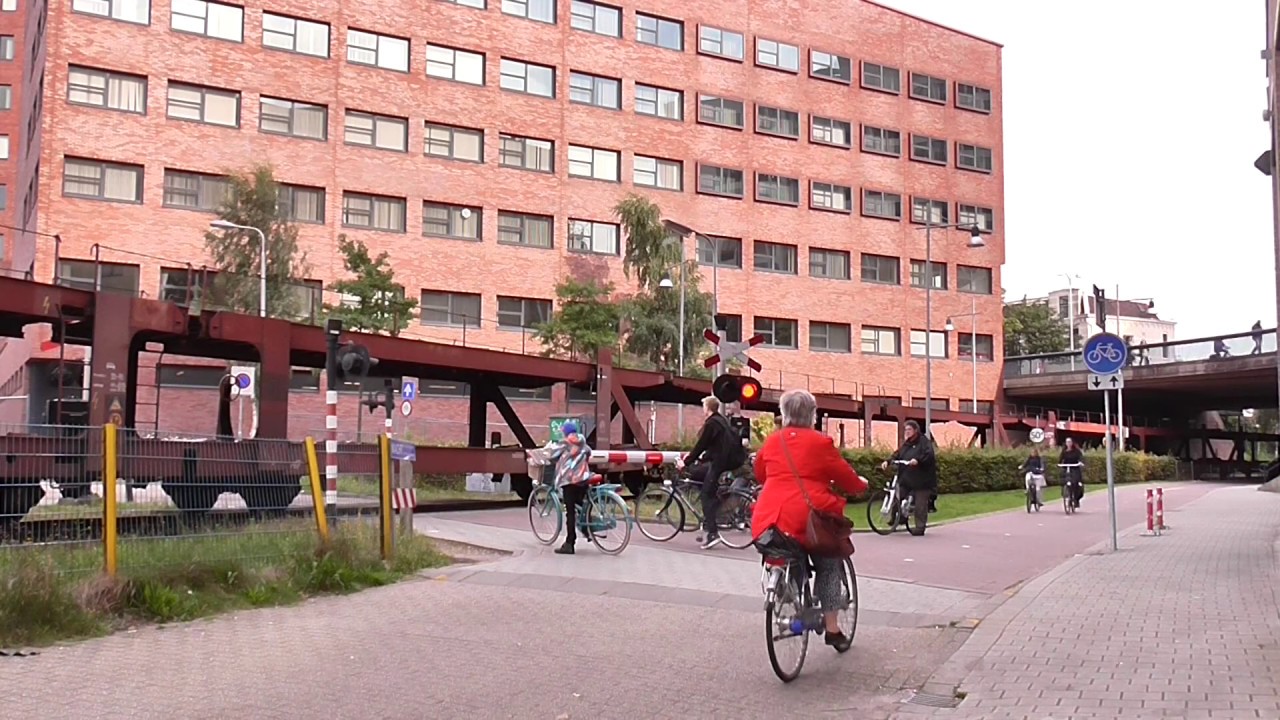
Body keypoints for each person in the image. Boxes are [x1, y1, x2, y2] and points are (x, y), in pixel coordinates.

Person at [751, 389, 866, 648]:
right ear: (812, 414)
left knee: (786, 553)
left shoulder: (772, 442)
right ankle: (833, 629)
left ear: (784, 414)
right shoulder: (819, 442)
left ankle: (786, 589)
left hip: (769, 518)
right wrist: (860, 485)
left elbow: (760, 473)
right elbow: (844, 476)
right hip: (810, 519)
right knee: (828, 564)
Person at [682, 396, 747, 549]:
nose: (703, 409)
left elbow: (701, 445)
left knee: (706, 494)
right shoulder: (721, 420)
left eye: (704, 406)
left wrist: (685, 462)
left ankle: (712, 533)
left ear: (708, 408)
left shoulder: (711, 423)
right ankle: (714, 513)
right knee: (707, 483)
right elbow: (716, 445)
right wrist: (704, 457)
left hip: (720, 463)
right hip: (727, 461)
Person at [880, 420, 936, 532]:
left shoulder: (924, 442)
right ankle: (897, 519)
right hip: (907, 478)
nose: (907, 432)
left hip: (922, 480)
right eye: (906, 430)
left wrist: (918, 460)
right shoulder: (907, 444)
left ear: (915, 430)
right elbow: (898, 453)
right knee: (897, 496)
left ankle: (920, 528)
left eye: (909, 429)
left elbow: (928, 455)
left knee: (920, 504)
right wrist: (889, 461)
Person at [546, 421, 592, 555]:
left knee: (570, 512)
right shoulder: (583, 442)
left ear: (566, 432)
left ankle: (569, 543)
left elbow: (551, 454)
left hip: (570, 480)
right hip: (583, 479)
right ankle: (586, 530)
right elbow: (588, 453)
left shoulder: (565, 443)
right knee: (581, 506)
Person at [1058, 437, 1084, 508]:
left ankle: (1076, 499)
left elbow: (1080, 457)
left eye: (1069, 442)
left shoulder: (1076, 451)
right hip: (1066, 468)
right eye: (1067, 442)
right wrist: (1059, 464)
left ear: (1072, 443)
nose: (1068, 443)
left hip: (1074, 468)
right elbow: (1060, 459)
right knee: (1063, 479)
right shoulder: (1064, 451)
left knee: (1076, 482)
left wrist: (1080, 462)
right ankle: (1067, 495)